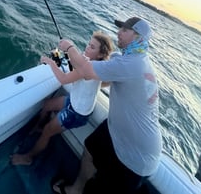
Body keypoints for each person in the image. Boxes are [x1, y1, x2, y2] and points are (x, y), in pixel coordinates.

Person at [54, 17, 162, 194]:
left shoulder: (131, 64)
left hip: (136, 153)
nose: (118, 32)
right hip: (116, 129)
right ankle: (76, 190)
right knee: (90, 148)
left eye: (125, 30)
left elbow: (85, 70)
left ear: (138, 37)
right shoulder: (135, 60)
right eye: (120, 28)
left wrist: (68, 47)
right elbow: (100, 75)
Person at [10, 30, 114, 166]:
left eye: (92, 47)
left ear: (100, 55)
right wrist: (64, 55)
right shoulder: (92, 65)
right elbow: (78, 69)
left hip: (76, 113)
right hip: (73, 101)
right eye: (89, 44)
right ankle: (38, 126)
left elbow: (64, 79)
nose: (87, 47)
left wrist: (50, 62)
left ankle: (29, 157)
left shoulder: (88, 68)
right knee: (46, 105)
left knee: (48, 131)